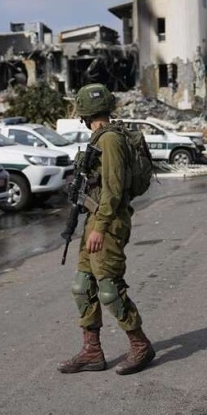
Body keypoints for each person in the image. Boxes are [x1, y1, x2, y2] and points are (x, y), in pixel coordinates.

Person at [57, 83, 156, 376]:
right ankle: (92, 351)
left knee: (109, 289)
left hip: (109, 223)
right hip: (95, 220)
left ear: (85, 114)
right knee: (82, 287)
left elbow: (112, 190)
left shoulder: (110, 140)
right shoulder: (99, 138)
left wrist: (99, 227)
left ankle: (140, 345)